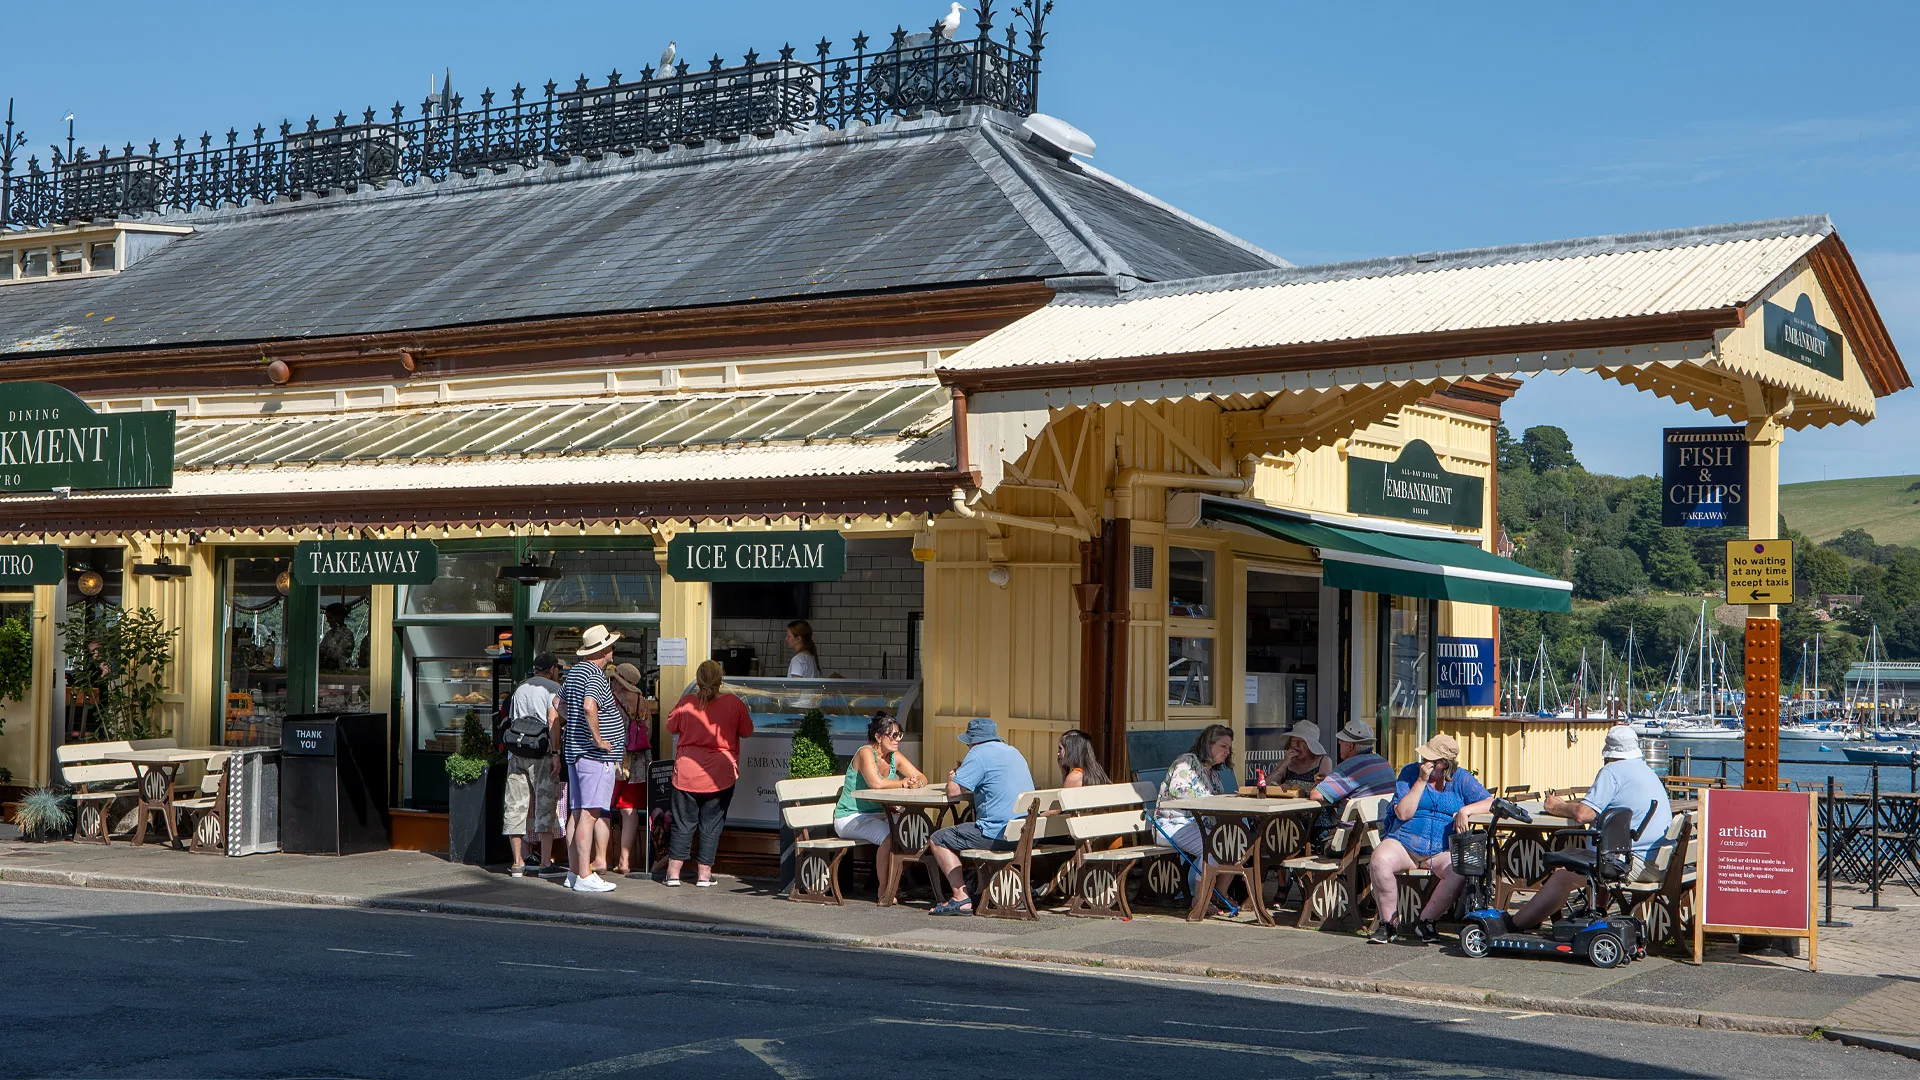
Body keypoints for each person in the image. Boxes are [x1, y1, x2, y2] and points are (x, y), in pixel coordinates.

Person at [1509, 726, 1674, 931]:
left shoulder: (1612, 772)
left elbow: (1583, 814)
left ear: (1609, 752)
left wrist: (1556, 806)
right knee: (1598, 856)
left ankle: (1517, 924)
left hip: (1635, 864)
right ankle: (1597, 912)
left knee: (1563, 872)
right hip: (1660, 862)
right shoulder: (1646, 771)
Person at [1367, 734, 1493, 945]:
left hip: (1441, 849)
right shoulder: (1410, 773)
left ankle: (1426, 921)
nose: (1422, 762)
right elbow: (1404, 814)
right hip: (1404, 842)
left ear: (1443, 764)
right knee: (1379, 860)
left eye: (1429, 759)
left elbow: (1491, 802)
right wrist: (1421, 781)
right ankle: (1388, 923)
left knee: (1460, 868)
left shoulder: (1461, 779)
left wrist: (1466, 810)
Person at [928, 718, 1036, 915]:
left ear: (973, 740)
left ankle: (961, 898)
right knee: (970, 829)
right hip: (1025, 834)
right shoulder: (1013, 751)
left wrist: (955, 776)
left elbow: (953, 792)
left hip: (999, 834)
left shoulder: (977, 754)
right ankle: (980, 890)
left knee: (938, 839)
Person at [664, 659, 754, 887]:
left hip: (687, 773)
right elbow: (747, 731)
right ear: (720, 678)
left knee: (682, 823)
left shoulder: (686, 702)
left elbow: (670, 726)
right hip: (720, 775)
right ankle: (704, 876)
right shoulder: (734, 703)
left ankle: (673, 874)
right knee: (711, 825)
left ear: (698, 679)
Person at [557, 625, 627, 893]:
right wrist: (598, 740)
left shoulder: (574, 673)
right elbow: (589, 706)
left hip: (576, 754)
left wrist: (572, 723)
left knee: (578, 813)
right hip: (594, 756)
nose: (613, 650)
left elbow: (557, 703)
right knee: (590, 814)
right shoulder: (596, 676)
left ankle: (575, 872)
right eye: (610, 646)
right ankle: (585, 875)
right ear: (604, 650)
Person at [832, 711, 927, 893]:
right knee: (889, 836)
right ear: (878, 736)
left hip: (879, 814)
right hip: (851, 816)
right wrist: (902, 782)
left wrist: (916, 783)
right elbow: (875, 783)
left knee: (914, 832)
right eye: (892, 735)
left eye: (899, 735)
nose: (897, 739)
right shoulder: (865, 752)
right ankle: (884, 889)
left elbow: (922, 776)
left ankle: (893, 880)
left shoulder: (894, 757)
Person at [501, 653, 567, 879]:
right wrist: (556, 753)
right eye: (557, 667)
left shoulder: (520, 688)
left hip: (517, 753)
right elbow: (553, 722)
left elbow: (511, 719)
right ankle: (545, 863)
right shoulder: (554, 689)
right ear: (551, 669)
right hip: (542, 753)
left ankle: (518, 862)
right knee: (545, 805)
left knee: (515, 806)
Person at [1153, 724, 1235, 898]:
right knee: (1213, 849)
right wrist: (1210, 801)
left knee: (1234, 844)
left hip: (1199, 827)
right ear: (1208, 745)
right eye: (1223, 746)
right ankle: (1200, 901)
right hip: (1173, 825)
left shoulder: (1213, 774)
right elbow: (1178, 790)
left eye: (1229, 747)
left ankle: (1220, 894)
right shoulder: (1187, 761)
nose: (1227, 751)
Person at [608, 662, 656, 878]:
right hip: (637, 762)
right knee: (630, 810)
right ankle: (625, 859)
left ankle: (601, 856)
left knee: (603, 809)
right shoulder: (641, 701)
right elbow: (649, 732)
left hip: (615, 760)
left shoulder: (610, 700)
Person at [1276, 722, 1332, 788]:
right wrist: (1283, 765)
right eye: (1294, 740)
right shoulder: (1288, 761)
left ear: (1311, 745)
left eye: (1301, 741)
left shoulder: (1323, 761)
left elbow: (1326, 789)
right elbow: (1267, 785)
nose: (1296, 745)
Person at [317, 602, 357, 671]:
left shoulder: (347, 634)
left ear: (338, 617)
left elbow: (338, 654)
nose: (327, 621)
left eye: (329, 618)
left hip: (339, 671)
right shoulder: (329, 634)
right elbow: (321, 651)